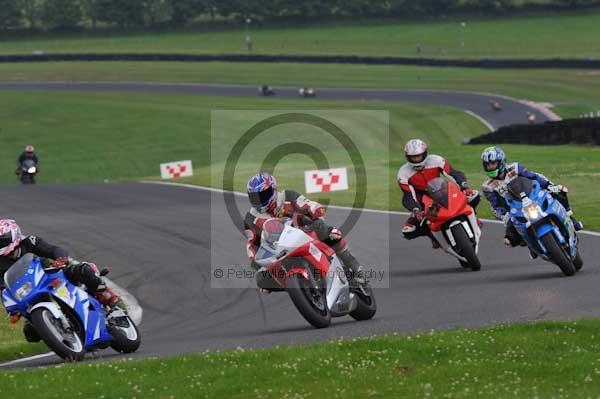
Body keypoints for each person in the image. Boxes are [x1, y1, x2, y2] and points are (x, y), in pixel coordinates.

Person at [0, 219, 121, 342]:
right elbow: (3, 287)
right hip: (30, 290)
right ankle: (60, 335)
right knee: (30, 333)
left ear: (13, 234)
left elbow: (53, 249)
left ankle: (104, 292)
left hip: (52, 274)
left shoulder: (29, 242)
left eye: (2, 240)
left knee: (81, 270)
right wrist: (11, 307)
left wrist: (61, 259)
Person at [244, 172, 365, 292]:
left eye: (264, 195)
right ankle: (298, 288)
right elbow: (252, 244)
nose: (260, 201)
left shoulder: (288, 196)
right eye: (255, 197)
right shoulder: (251, 218)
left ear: (274, 189)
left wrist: (316, 215)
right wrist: (255, 261)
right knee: (261, 279)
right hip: (279, 251)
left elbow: (310, 205)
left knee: (330, 233)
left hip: (304, 232)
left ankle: (354, 267)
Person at [480, 146, 583, 255]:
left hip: (533, 196)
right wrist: (504, 215)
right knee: (509, 237)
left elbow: (534, 177)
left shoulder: (515, 168)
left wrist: (549, 185)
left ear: (501, 162)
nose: (490, 167)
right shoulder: (487, 186)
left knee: (559, 191)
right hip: (514, 209)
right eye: (487, 165)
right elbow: (495, 205)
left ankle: (571, 219)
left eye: (493, 163)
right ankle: (531, 244)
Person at [397, 139, 480, 247]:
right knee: (408, 231)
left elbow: (452, 173)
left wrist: (464, 186)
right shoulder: (403, 172)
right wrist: (416, 210)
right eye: (413, 157)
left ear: (425, 154)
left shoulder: (436, 160)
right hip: (422, 200)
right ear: (408, 157)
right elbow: (408, 195)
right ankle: (433, 236)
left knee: (474, 196)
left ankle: (474, 218)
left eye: (419, 156)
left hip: (441, 190)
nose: (417, 159)